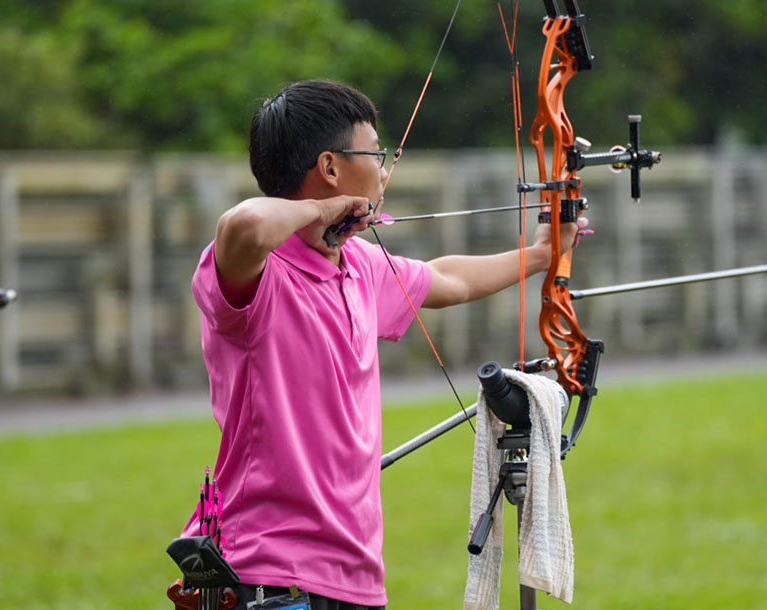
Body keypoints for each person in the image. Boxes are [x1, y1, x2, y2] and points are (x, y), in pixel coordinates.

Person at [181, 79, 586, 610]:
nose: (384, 168)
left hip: (354, 573)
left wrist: (539, 255)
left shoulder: (361, 266)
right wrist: (325, 212)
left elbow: (449, 280)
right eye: (375, 153)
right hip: (266, 569)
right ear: (329, 168)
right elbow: (246, 223)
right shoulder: (259, 274)